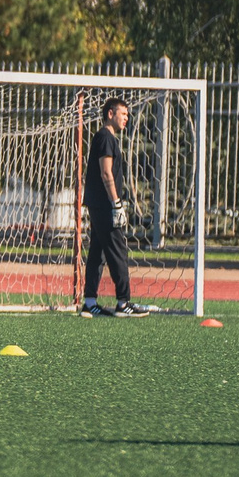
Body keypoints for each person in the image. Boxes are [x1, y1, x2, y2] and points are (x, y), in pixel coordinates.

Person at [80, 97, 154, 317]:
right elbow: (106, 172)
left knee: (98, 252)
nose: (126, 118)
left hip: (99, 204)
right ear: (110, 114)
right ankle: (123, 303)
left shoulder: (107, 138)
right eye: (123, 113)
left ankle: (90, 302)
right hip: (104, 205)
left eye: (128, 115)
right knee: (117, 251)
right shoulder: (105, 137)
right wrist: (116, 203)